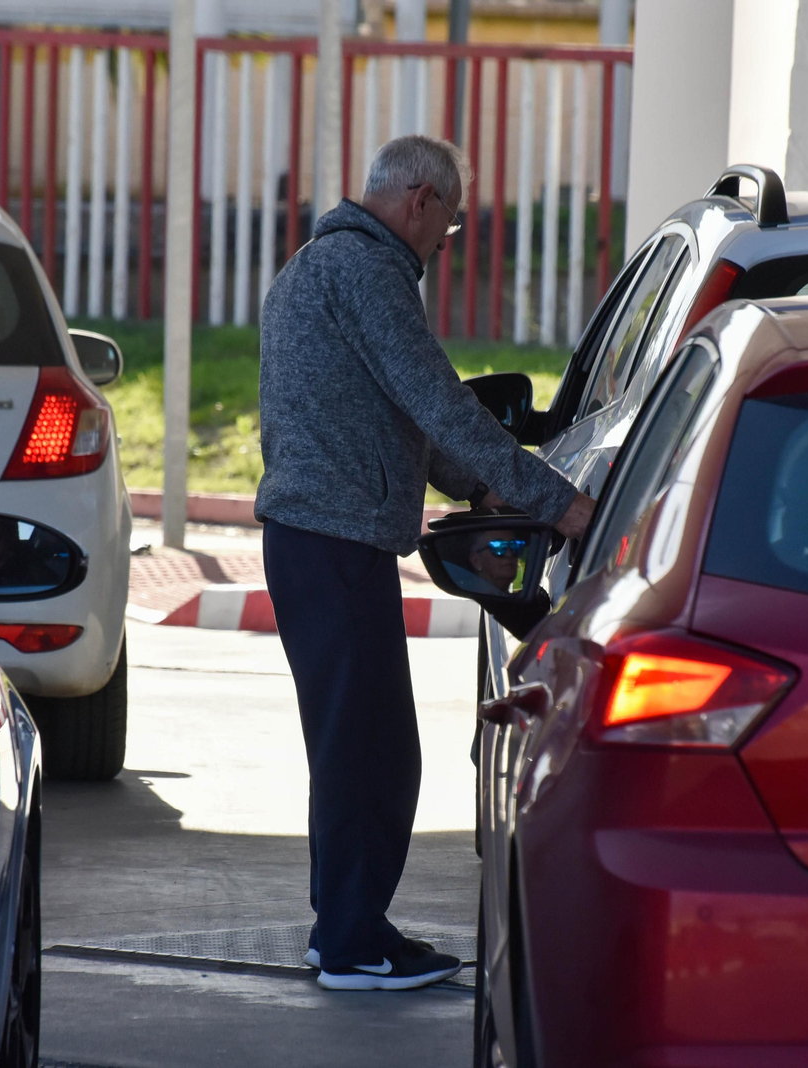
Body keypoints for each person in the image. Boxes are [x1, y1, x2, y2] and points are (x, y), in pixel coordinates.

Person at [255, 134, 595, 991]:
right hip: (332, 547)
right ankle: (352, 946)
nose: (445, 243)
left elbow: (397, 416)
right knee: (374, 755)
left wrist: (475, 486)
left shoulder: (313, 267)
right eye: (446, 225)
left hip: (317, 545)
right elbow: (439, 402)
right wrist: (562, 501)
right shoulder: (369, 274)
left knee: (350, 749)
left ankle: (341, 927)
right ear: (419, 200)